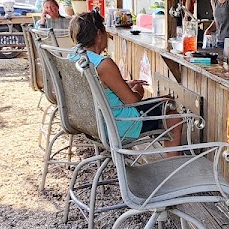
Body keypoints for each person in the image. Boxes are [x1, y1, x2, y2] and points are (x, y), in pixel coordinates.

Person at [70, 11, 182, 147]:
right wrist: (138, 90)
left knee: (161, 102)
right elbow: (132, 101)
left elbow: (96, 88)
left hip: (90, 124)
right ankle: (171, 161)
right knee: (169, 106)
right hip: (119, 125)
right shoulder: (103, 64)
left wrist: (124, 85)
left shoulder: (74, 55)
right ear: (99, 34)